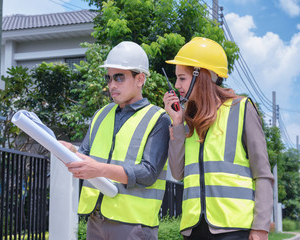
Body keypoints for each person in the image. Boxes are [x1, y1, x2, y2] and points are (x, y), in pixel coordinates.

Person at [162, 37, 274, 240]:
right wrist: (177, 122)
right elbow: (178, 173)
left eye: (182, 78)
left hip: (233, 229)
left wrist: (260, 228)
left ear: (201, 75)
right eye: (176, 78)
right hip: (194, 229)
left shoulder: (241, 109)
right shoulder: (188, 119)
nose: (177, 85)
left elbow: (263, 174)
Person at [61, 41, 171, 240]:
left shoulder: (159, 119)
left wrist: (100, 169)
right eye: (109, 78)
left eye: (119, 78)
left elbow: (148, 173)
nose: (111, 85)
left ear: (140, 79)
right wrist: (69, 150)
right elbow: (85, 157)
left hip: (134, 225)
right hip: (96, 220)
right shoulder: (101, 114)